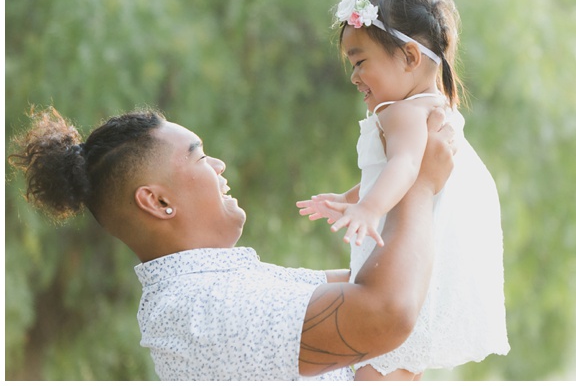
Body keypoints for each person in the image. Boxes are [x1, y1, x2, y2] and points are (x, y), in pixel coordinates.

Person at [8, 104, 455, 381]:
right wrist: (419, 185)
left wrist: (397, 168)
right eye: (200, 156)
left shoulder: (228, 284)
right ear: (159, 201)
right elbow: (388, 312)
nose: (219, 164)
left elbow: (404, 293)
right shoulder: (195, 309)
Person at [297, 0, 510, 380]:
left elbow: (406, 166)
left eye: (360, 62)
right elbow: (401, 172)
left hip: (412, 249)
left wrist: (370, 209)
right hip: (436, 247)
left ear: (410, 57)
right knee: (403, 360)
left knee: (381, 361)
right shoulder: (429, 108)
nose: (355, 76)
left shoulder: (401, 112)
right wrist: (352, 197)